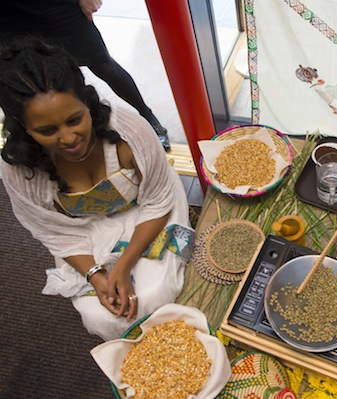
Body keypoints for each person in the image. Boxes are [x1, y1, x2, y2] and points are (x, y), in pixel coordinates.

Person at [0, 38, 194, 340]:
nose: (68, 138)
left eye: (75, 119)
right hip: (86, 232)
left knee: (155, 293)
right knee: (101, 316)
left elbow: (158, 200)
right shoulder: (19, 168)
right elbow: (55, 232)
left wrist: (124, 264)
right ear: (23, 128)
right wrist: (96, 276)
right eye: (47, 131)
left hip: (146, 213)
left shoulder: (130, 133)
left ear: (86, 102)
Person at [0, 0, 171, 151]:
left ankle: (146, 115)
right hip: (7, 14)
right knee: (10, 74)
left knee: (103, 65)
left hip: (53, 6)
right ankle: (19, 135)